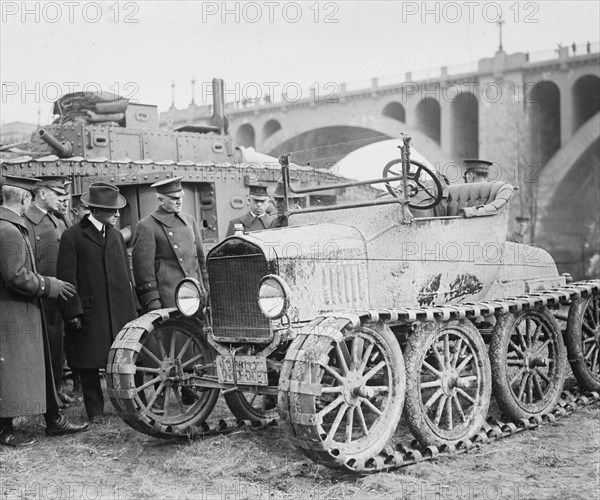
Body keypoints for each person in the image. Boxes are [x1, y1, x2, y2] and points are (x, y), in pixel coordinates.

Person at [1, 175, 89, 447]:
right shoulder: (8, 230)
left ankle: (54, 420)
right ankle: (5, 430)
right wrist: (47, 285)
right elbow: (14, 275)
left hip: (24, 310)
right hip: (14, 312)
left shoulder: (11, 226)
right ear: (26, 198)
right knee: (11, 373)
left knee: (35, 366)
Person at [56, 182, 137, 423]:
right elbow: (66, 278)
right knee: (89, 364)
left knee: (120, 361)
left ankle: (124, 404)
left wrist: (133, 307)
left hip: (119, 311)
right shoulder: (72, 236)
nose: (117, 214)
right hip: (90, 311)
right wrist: (73, 312)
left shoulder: (115, 235)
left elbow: (126, 274)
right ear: (98, 211)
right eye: (113, 211)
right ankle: (95, 412)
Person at [23, 176, 73, 406]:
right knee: (42, 345)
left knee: (57, 343)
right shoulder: (27, 220)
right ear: (42, 194)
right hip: (39, 295)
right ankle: (46, 394)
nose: (62, 198)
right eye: (57, 193)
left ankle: (57, 387)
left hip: (58, 293)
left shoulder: (57, 219)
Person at [132, 176, 208, 312]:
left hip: (196, 296)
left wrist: (207, 290)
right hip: (169, 299)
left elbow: (201, 261)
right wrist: (153, 304)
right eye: (174, 198)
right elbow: (144, 272)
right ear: (160, 199)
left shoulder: (189, 221)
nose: (179, 201)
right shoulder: (147, 226)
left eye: (181, 197)